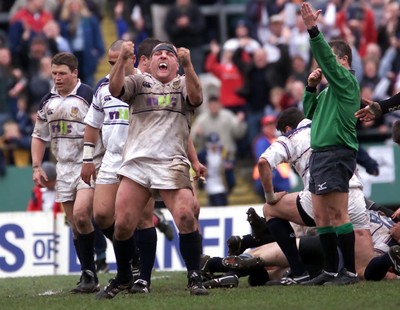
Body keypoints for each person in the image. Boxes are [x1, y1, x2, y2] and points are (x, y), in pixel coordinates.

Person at [104, 41, 208, 297]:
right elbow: (115, 89)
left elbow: (196, 98)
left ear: (176, 63)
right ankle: (126, 276)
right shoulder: (139, 83)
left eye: (168, 55)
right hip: (138, 163)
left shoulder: (183, 83)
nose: (163, 57)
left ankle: (194, 276)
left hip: (172, 162)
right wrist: (121, 60)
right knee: (122, 226)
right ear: (148, 63)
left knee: (186, 216)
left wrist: (189, 65)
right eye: (157, 54)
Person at [257, 107, 374, 285]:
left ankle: (299, 271)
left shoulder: (292, 136)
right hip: (354, 192)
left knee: (270, 209)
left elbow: (263, 162)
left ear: (287, 128)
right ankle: (387, 262)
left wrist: (270, 196)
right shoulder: (327, 125)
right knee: (366, 272)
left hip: (322, 193)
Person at [297, 2, 361, 285]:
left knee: (337, 213)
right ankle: (330, 270)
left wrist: (313, 30)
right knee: (321, 215)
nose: (323, 67)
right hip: (321, 153)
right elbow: (309, 113)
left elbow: (324, 56)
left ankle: (348, 272)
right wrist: (310, 89)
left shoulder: (345, 82)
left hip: (336, 152)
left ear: (344, 61)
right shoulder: (327, 93)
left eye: (331, 61)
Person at [31, 52, 104, 293]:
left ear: (75, 73)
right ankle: (89, 274)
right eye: (54, 73)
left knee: (83, 216)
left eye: (62, 73)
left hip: (89, 164)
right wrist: (36, 165)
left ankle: (125, 260)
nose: (57, 78)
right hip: (63, 167)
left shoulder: (88, 96)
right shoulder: (47, 102)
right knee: (75, 224)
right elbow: (39, 135)